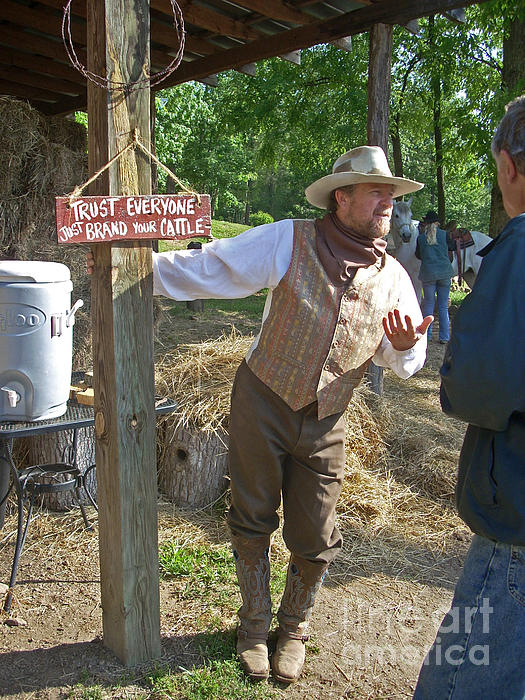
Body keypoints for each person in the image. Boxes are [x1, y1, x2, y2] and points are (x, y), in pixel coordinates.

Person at [88, 145, 432, 684]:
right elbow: (214, 267)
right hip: (263, 399)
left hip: (327, 419)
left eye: (390, 192)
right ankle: (252, 627)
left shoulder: (395, 279)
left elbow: (404, 361)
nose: (387, 201)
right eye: (375, 191)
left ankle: (293, 627)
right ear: (342, 198)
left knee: (316, 535)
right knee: (251, 514)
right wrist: (138, 270)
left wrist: (405, 347)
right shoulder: (287, 239)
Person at [413, 95, 525, 699]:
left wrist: (452, 360)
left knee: (455, 686)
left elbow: (475, 388)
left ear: (507, 165)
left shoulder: (518, 250)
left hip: (518, 537)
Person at [415, 210, 455, 344]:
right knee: (443, 307)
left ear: (425, 223)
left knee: (429, 305)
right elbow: (452, 248)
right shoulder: (445, 235)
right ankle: (444, 337)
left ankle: (427, 335)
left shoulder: (421, 238)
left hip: (428, 274)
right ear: (437, 222)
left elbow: (418, 255)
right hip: (444, 274)